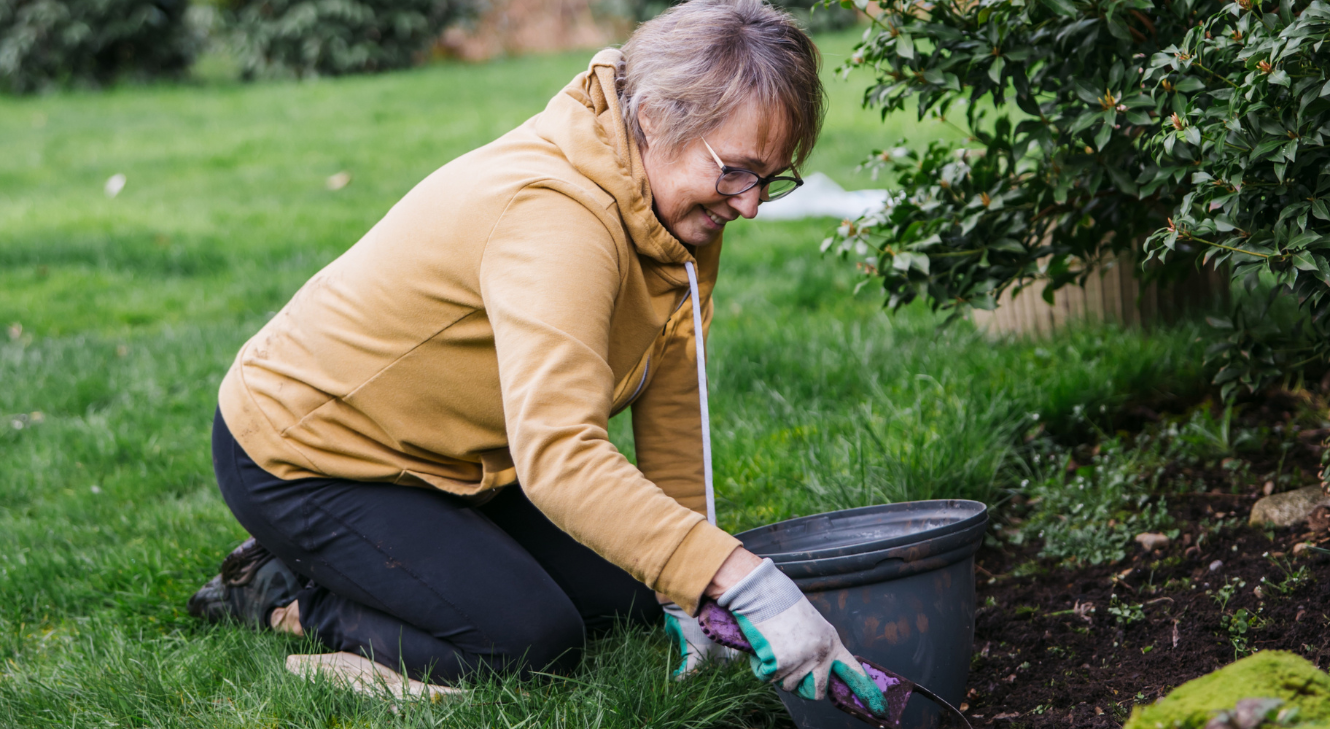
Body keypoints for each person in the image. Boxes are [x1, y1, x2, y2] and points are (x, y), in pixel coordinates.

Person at [189, 0, 886, 714]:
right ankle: (286, 593)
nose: (752, 206)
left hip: (449, 455)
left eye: (772, 178)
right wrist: (745, 580)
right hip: (307, 452)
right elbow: (559, 453)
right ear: (653, 119)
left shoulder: (676, 211)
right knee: (528, 641)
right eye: (738, 171)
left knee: (638, 589)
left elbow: (674, 399)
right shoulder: (555, 218)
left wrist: (693, 585)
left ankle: (400, 558)